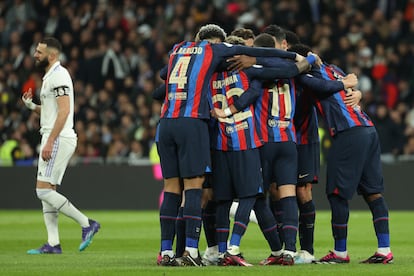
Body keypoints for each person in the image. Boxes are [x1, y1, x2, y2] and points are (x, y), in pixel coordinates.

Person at [157, 23, 305, 267]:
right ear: (220, 45)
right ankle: (196, 251)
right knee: (203, 190)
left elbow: (161, 81)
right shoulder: (227, 59)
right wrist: (299, 58)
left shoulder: (178, 49)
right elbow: (272, 68)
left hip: (172, 124)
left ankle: (167, 252)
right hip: (228, 135)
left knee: (175, 189)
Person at [290, 44, 393, 264]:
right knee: (372, 192)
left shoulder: (306, 76)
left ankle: (339, 253)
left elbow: (321, 87)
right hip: (368, 128)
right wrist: (354, 89)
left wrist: (351, 88)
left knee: (337, 194)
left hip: (348, 133)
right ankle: (384, 250)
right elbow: (347, 85)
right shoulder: (334, 69)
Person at [22, 37, 100, 255]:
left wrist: (50, 141)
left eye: (39, 52)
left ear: (52, 54)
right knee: (48, 190)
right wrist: (32, 106)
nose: (35, 55)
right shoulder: (50, 76)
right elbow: (52, 111)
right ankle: (53, 243)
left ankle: (87, 224)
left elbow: (65, 112)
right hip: (53, 136)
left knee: (42, 190)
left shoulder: (59, 76)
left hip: (57, 138)